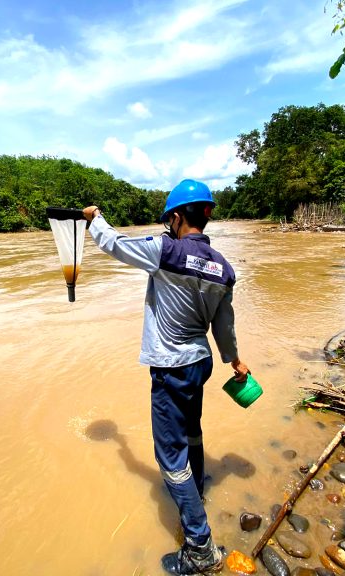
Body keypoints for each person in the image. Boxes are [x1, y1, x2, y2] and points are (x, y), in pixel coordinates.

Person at [82, 178, 250, 575]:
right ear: (205, 215)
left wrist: (95, 219)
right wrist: (234, 360)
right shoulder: (224, 269)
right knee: (192, 430)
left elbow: (115, 244)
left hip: (172, 367)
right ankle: (198, 486)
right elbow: (224, 325)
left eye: (168, 221)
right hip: (200, 363)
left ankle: (201, 548)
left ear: (175, 218)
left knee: (169, 457)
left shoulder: (165, 250)